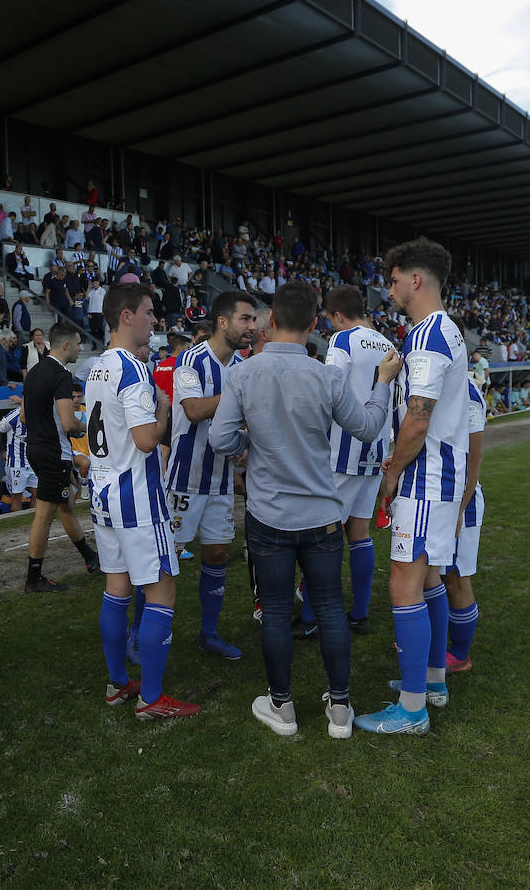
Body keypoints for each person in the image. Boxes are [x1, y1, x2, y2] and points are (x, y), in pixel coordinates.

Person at [210, 281, 400, 739]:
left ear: (271, 321)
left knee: (276, 610)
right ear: (315, 324)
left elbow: (219, 439)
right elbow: (371, 427)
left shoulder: (244, 374)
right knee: (331, 606)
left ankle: (283, 707)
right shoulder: (325, 376)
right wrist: (381, 383)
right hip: (322, 515)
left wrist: (246, 446)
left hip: (271, 514)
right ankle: (340, 708)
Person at [360, 238, 467, 736]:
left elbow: (417, 421)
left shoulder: (428, 337)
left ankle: (411, 708)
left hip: (425, 480)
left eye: (394, 279)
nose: (391, 289)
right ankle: (432, 681)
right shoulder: (443, 332)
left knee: (403, 583)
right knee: (428, 581)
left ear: (415, 279)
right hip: (441, 480)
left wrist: (392, 472)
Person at [86, 283, 200, 721]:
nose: (155, 321)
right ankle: (151, 698)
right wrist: (164, 410)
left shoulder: (97, 366)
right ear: (126, 316)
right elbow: (145, 440)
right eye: (150, 313)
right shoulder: (133, 369)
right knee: (161, 589)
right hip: (135, 494)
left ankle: (118, 684)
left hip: (103, 492)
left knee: (116, 587)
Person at [157, 291, 256, 663]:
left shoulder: (242, 366)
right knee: (165, 561)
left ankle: (209, 634)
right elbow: (195, 410)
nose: (252, 327)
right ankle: (140, 632)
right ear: (222, 321)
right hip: (185, 478)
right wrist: (237, 395)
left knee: (217, 554)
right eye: (245, 319)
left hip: (221, 480)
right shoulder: (191, 361)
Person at [293, 286, 396, 638]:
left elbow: (331, 388)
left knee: (321, 535)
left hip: (343, 448)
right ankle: (360, 614)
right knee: (360, 532)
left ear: (337, 315)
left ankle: (310, 617)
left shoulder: (342, 340)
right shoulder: (387, 344)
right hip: (375, 447)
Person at [21, 322, 99, 592]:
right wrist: (87, 425)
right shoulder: (61, 376)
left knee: (65, 506)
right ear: (65, 345)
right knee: (44, 514)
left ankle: (90, 558)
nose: (80, 348)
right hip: (54, 452)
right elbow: (68, 423)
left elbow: (23, 416)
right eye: (78, 343)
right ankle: (33, 578)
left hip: (36, 448)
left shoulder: (33, 373)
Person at [439, 379, 486, 676]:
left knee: (457, 579)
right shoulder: (437, 382)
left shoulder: (466, 391)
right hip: (435, 496)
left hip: (459, 500)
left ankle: (459, 653)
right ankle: (431, 642)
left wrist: (460, 506)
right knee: (434, 576)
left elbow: (474, 458)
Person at [0, 400, 37, 513]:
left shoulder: (39, 413)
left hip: (34, 461)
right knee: (17, 497)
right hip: (16, 462)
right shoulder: (14, 415)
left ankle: (34, 523)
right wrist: (3, 451)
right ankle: (17, 522)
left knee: (37, 494)